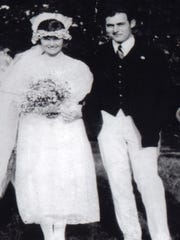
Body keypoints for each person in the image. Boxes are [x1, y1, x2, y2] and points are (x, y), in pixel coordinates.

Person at [0, 12, 99, 240]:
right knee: (40, 177)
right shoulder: (26, 66)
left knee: (63, 175)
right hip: (36, 130)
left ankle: (60, 233)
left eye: (56, 38)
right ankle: (48, 234)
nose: (52, 43)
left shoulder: (78, 67)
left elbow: (81, 99)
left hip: (66, 129)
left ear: (65, 38)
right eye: (46, 38)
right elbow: (15, 99)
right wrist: (36, 103)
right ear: (38, 39)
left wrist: (66, 106)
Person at [83, 3, 173, 240]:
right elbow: (90, 91)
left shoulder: (152, 52)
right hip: (109, 123)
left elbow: (167, 91)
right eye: (109, 25)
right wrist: (95, 121)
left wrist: (156, 123)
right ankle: (131, 234)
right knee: (118, 181)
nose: (115, 29)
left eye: (120, 24)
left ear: (132, 24)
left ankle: (160, 235)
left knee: (147, 181)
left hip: (142, 125)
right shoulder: (98, 54)